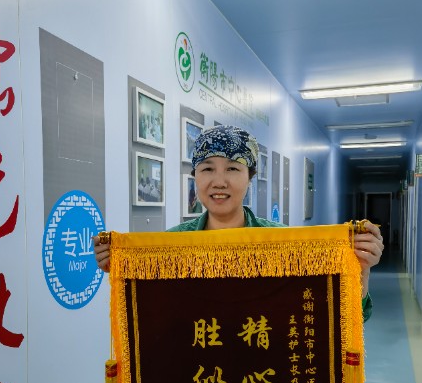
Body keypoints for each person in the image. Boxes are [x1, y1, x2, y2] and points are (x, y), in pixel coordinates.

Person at [93, 126, 383, 319]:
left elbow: (343, 317)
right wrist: (122, 268)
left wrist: (361, 270)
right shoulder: (170, 247)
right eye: (207, 169)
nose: (219, 181)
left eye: (232, 168)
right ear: (195, 177)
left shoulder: (286, 245)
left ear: (249, 178)